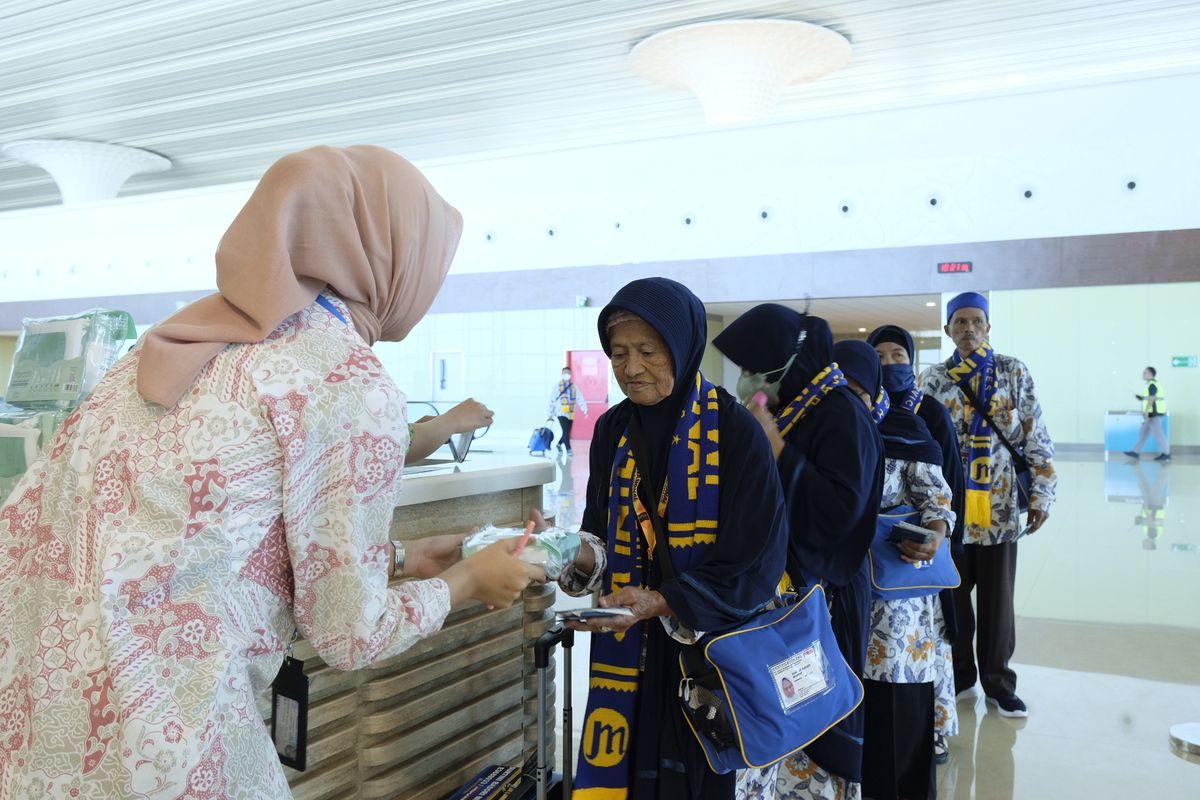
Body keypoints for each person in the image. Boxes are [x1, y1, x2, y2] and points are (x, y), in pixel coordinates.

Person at [0, 145, 545, 797]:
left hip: (35, 718)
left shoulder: (174, 345)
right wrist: (466, 581)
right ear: (394, 254)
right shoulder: (347, 380)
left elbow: (183, 541)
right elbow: (351, 634)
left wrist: (398, 558)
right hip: (163, 738)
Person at [541, 277, 789, 800]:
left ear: (681, 346)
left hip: (712, 658)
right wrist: (564, 548)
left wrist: (661, 601)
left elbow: (756, 561)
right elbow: (597, 536)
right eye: (619, 353)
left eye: (648, 351)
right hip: (631, 650)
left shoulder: (734, 431)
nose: (631, 368)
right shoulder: (613, 429)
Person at [714, 306, 884, 800]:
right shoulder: (794, 408)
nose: (747, 380)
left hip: (822, 598)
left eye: (754, 368)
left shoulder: (840, 411)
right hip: (782, 592)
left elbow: (840, 513)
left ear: (787, 362)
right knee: (778, 716)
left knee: (815, 722)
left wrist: (780, 452)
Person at [918, 291, 1057, 719]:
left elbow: (1035, 434)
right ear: (948, 330)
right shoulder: (933, 380)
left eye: (976, 321)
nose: (969, 329)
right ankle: (960, 677)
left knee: (998, 604)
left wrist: (1042, 493)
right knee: (954, 600)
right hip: (951, 512)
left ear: (988, 327)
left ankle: (999, 683)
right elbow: (922, 442)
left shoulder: (1013, 371)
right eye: (960, 322)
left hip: (999, 510)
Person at [835, 340, 955, 800]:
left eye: (858, 392)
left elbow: (937, 499)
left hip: (895, 603)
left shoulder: (906, 428)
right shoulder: (820, 432)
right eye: (840, 390)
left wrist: (935, 533)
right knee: (845, 699)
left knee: (898, 704)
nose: (849, 402)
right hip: (836, 595)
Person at [867, 324, 963, 764]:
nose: (889, 364)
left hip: (906, 561)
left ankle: (932, 732)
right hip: (860, 567)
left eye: (897, 355)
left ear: (911, 359)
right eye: (878, 357)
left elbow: (945, 484)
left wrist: (943, 537)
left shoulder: (925, 413)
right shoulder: (854, 416)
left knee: (917, 652)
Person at [1127, 366, 1170, 461]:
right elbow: (1149, 398)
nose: (1143, 374)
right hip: (1151, 412)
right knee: (1144, 433)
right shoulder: (1151, 384)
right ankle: (1135, 452)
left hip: (1153, 413)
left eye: (1145, 373)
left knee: (1158, 433)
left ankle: (1166, 453)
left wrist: (1146, 411)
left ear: (1150, 374)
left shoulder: (1152, 385)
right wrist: (1142, 398)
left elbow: (1152, 398)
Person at [549, 366, 588, 456]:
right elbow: (552, 400)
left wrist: (585, 409)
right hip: (560, 412)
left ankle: (559, 444)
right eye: (565, 373)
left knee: (567, 431)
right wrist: (550, 413)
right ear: (562, 374)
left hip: (570, 413)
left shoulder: (574, 386)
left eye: (568, 373)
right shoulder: (557, 386)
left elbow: (580, 398)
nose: (566, 374)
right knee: (566, 430)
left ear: (571, 374)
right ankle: (568, 449)